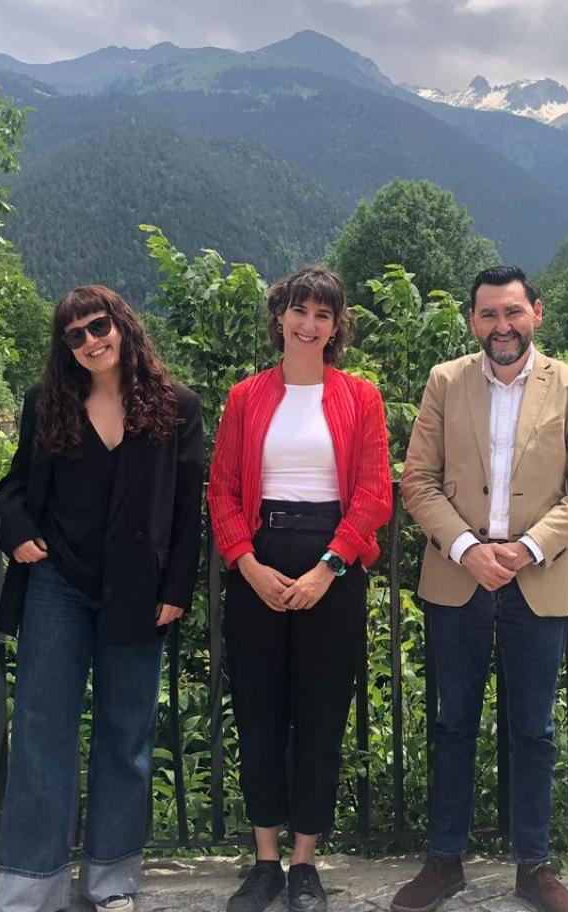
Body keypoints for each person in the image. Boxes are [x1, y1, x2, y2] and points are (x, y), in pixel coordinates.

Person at [392, 266, 568, 912]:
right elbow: (417, 481)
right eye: (488, 314)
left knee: (534, 731)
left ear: (536, 313)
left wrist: (527, 548)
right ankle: (444, 862)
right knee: (452, 724)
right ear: (472, 322)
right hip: (457, 579)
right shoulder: (445, 381)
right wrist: (467, 548)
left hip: (536, 579)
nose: (501, 326)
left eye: (512, 311)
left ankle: (533, 866)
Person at [0, 285, 205, 912]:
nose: (90, 340)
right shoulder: (46, 402)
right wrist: (18, 532)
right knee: (41, 733)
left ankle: (112, 880)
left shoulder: (176, 405)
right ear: (65, 346)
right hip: (57, 583)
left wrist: (176, 589)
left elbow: (187, 509)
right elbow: (15, 485)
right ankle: (30, 888)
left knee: (126, 736)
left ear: (122, 325)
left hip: (139, 590)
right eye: (75, 334)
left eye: (99, 326)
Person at [208, 266, 391, 912]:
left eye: (322, 314)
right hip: (258, 563)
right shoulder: (245, 397)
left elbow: (374, 493)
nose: (308, 324)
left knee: (320, 719)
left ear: (336, 327)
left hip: (332, 569)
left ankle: (306, 863)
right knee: (258, 716)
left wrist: (328, 567)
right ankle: (265, 862)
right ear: (279, 316)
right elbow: (222, 490)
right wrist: (246, 564)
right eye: (299, 310)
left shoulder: (361, 398)